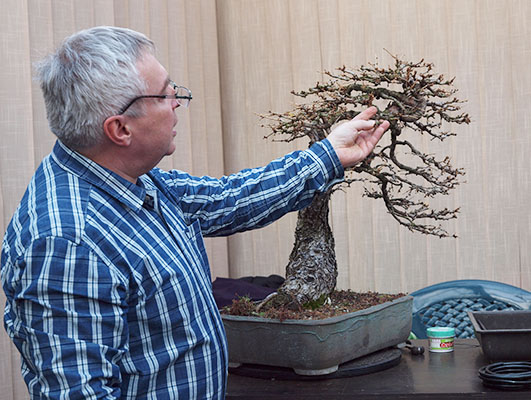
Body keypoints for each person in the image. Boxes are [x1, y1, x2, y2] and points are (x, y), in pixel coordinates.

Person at [0, 26, 390, 399]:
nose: (177, 102)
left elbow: (229, 198)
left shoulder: (133, 180)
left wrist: (328, 154)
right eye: (165, 94)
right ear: (120, 130)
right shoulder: (67, 243)